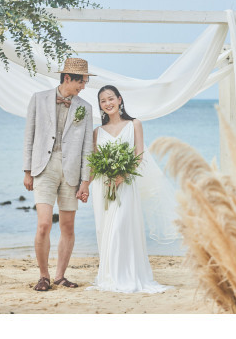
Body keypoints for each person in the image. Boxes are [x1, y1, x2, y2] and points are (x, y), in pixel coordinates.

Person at [87, 85, 171, 293]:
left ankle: (126, 275)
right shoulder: (97, 132)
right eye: (103, 101)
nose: (108, 103)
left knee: (121, 228)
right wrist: (84, 186)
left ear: (120, 99)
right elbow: (93, 162)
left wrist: (121, 176)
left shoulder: (134, 124)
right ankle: (110, 276)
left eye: (111, 98)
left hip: (125, 184)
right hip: (103, 185)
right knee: (104, 229)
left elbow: (139, 155)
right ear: (100, 105)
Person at [23, 57, 95, 292]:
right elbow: (29, 136)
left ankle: (60, 276)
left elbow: (87, 147)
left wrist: (85, 182)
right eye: (81, 82)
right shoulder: (38, 99)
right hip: (43, 167)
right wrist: (27, 171)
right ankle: (43, 275)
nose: (83, 87)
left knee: (68, 227)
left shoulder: (85, 107)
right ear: (67, 78)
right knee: (44, 224)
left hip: (72, 171)